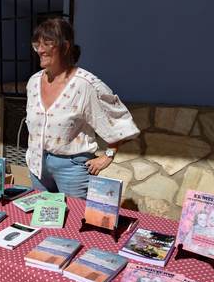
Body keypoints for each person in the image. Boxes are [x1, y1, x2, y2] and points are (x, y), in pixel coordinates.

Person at [25, 18, 140, 198]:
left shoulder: (85, 85)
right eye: (36, 44)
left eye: (47, 44)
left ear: (65, 46)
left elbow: (120, 123)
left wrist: (108, 155)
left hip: (71, 170)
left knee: (72, 221)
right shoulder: (33, 82)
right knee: (42, 219)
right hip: (36, 164)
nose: (40, 50)